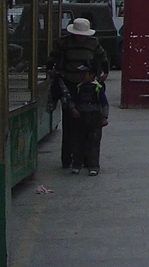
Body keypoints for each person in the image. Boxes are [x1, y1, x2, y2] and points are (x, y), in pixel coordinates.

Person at [47, 17, 110, 169]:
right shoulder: (64, 43)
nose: (81, 38)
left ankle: (86, 159)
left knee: (87, 124)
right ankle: (67, 159)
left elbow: (103, 57)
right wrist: (50, 69)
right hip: (68, 84)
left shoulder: (93, 43)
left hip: (87, 87)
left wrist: (105, 72)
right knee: (69, 123)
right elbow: (53, 56)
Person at [64, 64, 109, 175]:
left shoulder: (98, 88)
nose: (82, 76)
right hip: (80, 118)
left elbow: (104, 104)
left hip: (94, 118)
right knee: (78, 142)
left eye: (84, 74)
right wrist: (73, 109)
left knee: (93, 143)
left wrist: (104, 117)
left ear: (92, 75)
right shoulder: (79, 87)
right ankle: (76, 165)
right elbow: (72, 100)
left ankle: (93, 166)